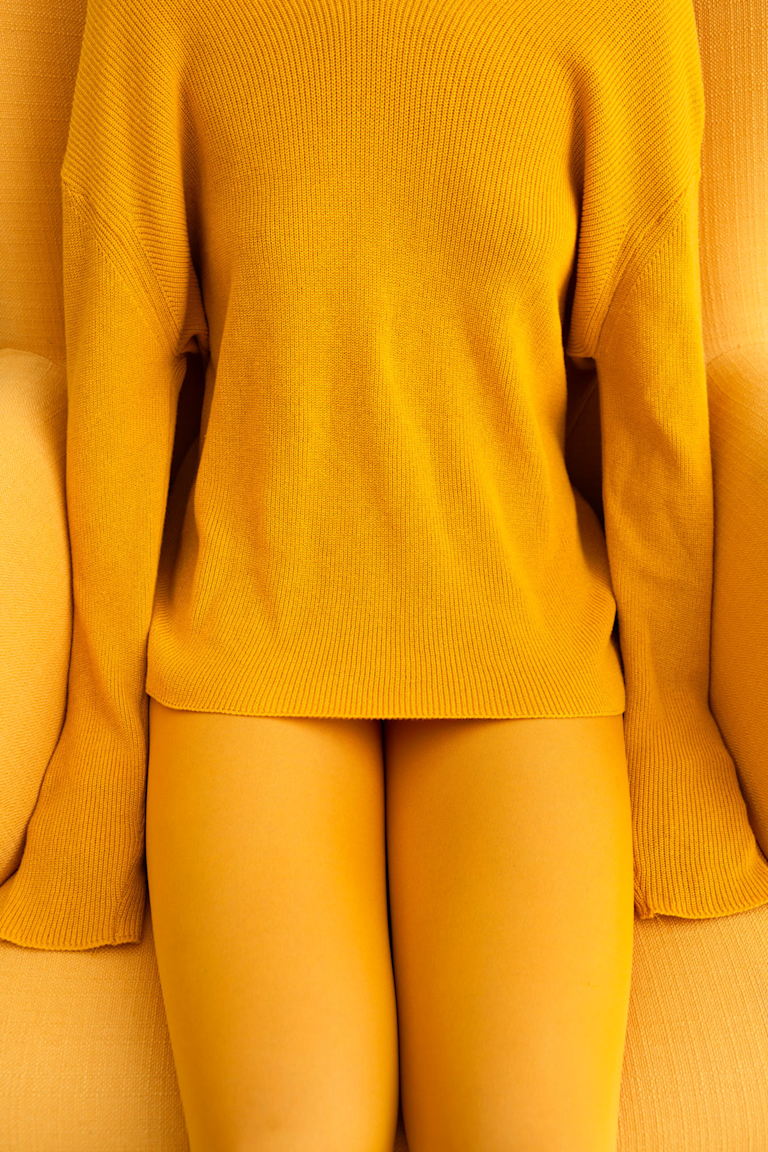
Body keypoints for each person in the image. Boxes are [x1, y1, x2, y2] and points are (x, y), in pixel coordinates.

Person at [4, 0, 768, 1148]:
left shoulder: (625, 17)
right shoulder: (157, 15)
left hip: (523, 639)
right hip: (249, 638)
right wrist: (101, 743)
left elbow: (655, 400)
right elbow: (122, 355)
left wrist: (674, 730)